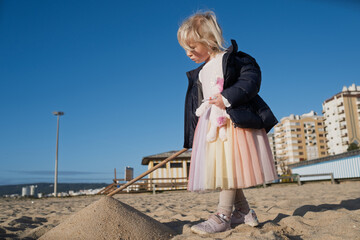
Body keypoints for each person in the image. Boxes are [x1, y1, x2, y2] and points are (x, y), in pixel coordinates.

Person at [177, 11, 278, 235]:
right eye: (185, 49)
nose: (188, 54)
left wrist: (226, 97)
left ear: (209, 41)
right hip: (211, 125)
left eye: (192, 48)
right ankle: (244, 212)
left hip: (233, 123)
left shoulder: (234, 60)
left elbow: (251, 80)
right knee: (226, 170)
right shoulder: (200, 72)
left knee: (229, 166)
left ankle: (223, 214)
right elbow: (200, 102)